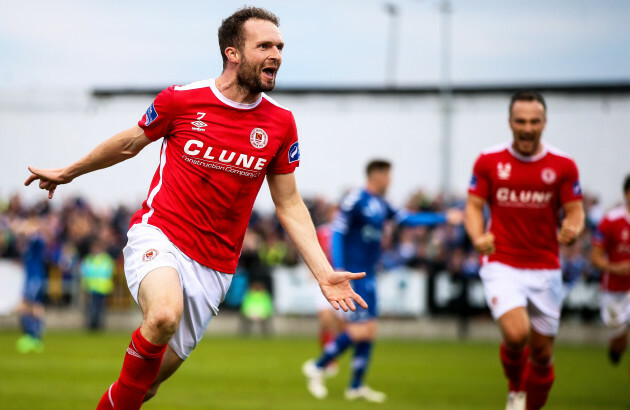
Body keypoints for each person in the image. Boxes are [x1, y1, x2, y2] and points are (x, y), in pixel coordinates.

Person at [24, 7, 366, 409]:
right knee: (164, 315)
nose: (276, 54)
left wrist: (324, 272)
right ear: (233, 53)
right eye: (264, 46)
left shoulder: (281, 123)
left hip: (215, 267)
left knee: (144, 387)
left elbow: (289, 203)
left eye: (279, 46)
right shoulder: (182, 100)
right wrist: (69, 171)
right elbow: (131, 142)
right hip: (160, 234)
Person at [302, 159, 462, 402]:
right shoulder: (356, 200)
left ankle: (355, 386)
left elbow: (407, 219)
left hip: (370, 274)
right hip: (354, 275)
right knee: (359, 329)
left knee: (370, 330)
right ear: (376, 175)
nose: (391, 180)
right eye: (388, 175)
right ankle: (318, 365)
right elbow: (338, 232)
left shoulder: (382, 204)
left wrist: (442, 218)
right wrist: (341, 268)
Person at [464, 91, 585, 410]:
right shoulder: (489, 160)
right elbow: (473, 207)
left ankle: (528, 405)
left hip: (546, 266)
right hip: (501, 261)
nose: (528, 127)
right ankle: (515, 388)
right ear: (510, 122)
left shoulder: (563, 165)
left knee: (543, 355)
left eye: (534, 121)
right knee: (517, 336)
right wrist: (478, 237)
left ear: (544, 122)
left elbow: (575, 210)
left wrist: (573, 228)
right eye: (521, 121)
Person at [591, 175, 630, 369]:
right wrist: (616, 268)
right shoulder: (611, 220)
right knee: (619, 342)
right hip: (614, 290)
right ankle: (615, 349)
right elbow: (595, 257)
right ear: (627, 194)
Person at [80, 238, 115, 330]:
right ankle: (92, 324)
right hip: (91, 287)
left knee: (100, 307)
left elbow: (108, 272)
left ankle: (98, 324)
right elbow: (84, 271)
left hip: (102, 287)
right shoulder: (89, 259)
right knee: (92, 307)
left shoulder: (105, 259)